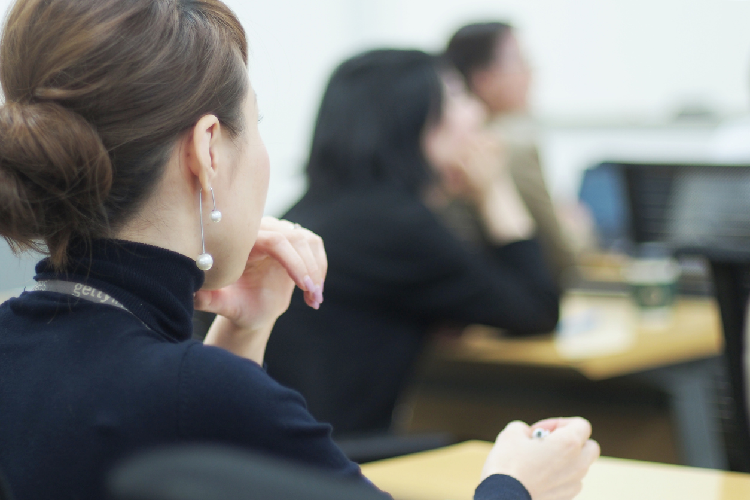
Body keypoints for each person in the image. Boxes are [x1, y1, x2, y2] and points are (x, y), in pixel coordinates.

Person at [0, 1, 598, 499]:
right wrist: (518, 485)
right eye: (256, 125)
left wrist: (245, 332)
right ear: (208, 152)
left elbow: (180, 435)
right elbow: (191, 405)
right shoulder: (195, 390)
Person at [265, 49, 560, 436]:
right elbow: (537, 309)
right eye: (456, 97)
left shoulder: (314, 209)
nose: (475, 114)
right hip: (332, 464)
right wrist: (496, 192)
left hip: (280, 453)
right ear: (413, 119)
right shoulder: (394, 224)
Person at [444, 22, 577, 287]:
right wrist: (579, 230)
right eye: (521, 62)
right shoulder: (509, 147)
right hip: (515, 300)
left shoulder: (445, 145)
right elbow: (561, 256)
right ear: (484, 78)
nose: (531, 74)